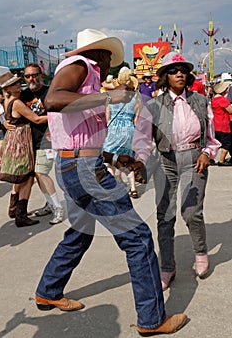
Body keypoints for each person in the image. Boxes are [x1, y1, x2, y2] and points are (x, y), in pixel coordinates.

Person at [35, 28, 187, 336]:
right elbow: (52, 100)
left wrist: (114, 158)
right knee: (138, 238)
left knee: (80, 232)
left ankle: (48, 289)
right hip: (82, 168)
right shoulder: (80, 65)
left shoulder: (83, 75)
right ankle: (152, 319)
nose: (109, 66)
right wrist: (109, 95)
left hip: (75, 163)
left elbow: (79, 135)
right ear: (99, 53)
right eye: (108, 58)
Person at [130, 52, 221, 291]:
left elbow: (210, 137)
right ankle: (167, 266)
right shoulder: (153, 105)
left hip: (195, 160)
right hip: (166, 161)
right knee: (165, 215)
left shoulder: (201, 101)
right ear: (164, 76)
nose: (179, 73)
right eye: (173, 70)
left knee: (191, 213)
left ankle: (201, 253)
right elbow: (142, 139)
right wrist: (140, 161)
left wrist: (207, 153)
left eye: (183, 69)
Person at [0, 67, 47, 227]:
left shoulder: (6, 100)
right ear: (6, 88)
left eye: (18, 82)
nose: (18, 85)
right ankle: (20, 214)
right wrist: (58, 115)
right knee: (27, 176)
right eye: (14, 84)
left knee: (21, 175)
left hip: (14, 140)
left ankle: (14, 206)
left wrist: (6, 122)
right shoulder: (18, 102)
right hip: (21, 142)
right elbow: (36, 119)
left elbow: (5, 117)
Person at [20, 63, 64, 224]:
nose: (32, 78)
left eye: (35, 74)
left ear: (41, 75)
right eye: (28, 76)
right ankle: (49, 204)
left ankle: (57, 208)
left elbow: (60, 113)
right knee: (38, 176)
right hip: (29, 141)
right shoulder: (23, 95)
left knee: (41, 173)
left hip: (47, 140)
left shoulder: (49, 93)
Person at [103, 67, 141, 198]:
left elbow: (107, 116)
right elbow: (136, 119)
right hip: (128, 130)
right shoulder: (135, 98)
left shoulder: (111, 97)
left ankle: (115, 186)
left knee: (109, 161)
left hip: (113, 129)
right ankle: (133, 188)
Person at [211, 81, 232, 166]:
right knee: (227, 143)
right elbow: (230, 110)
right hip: (224, 124)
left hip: (215, 124)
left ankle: (210, 158)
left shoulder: (214, 100)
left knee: (216, 143)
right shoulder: (223, 100)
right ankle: (221, 160)